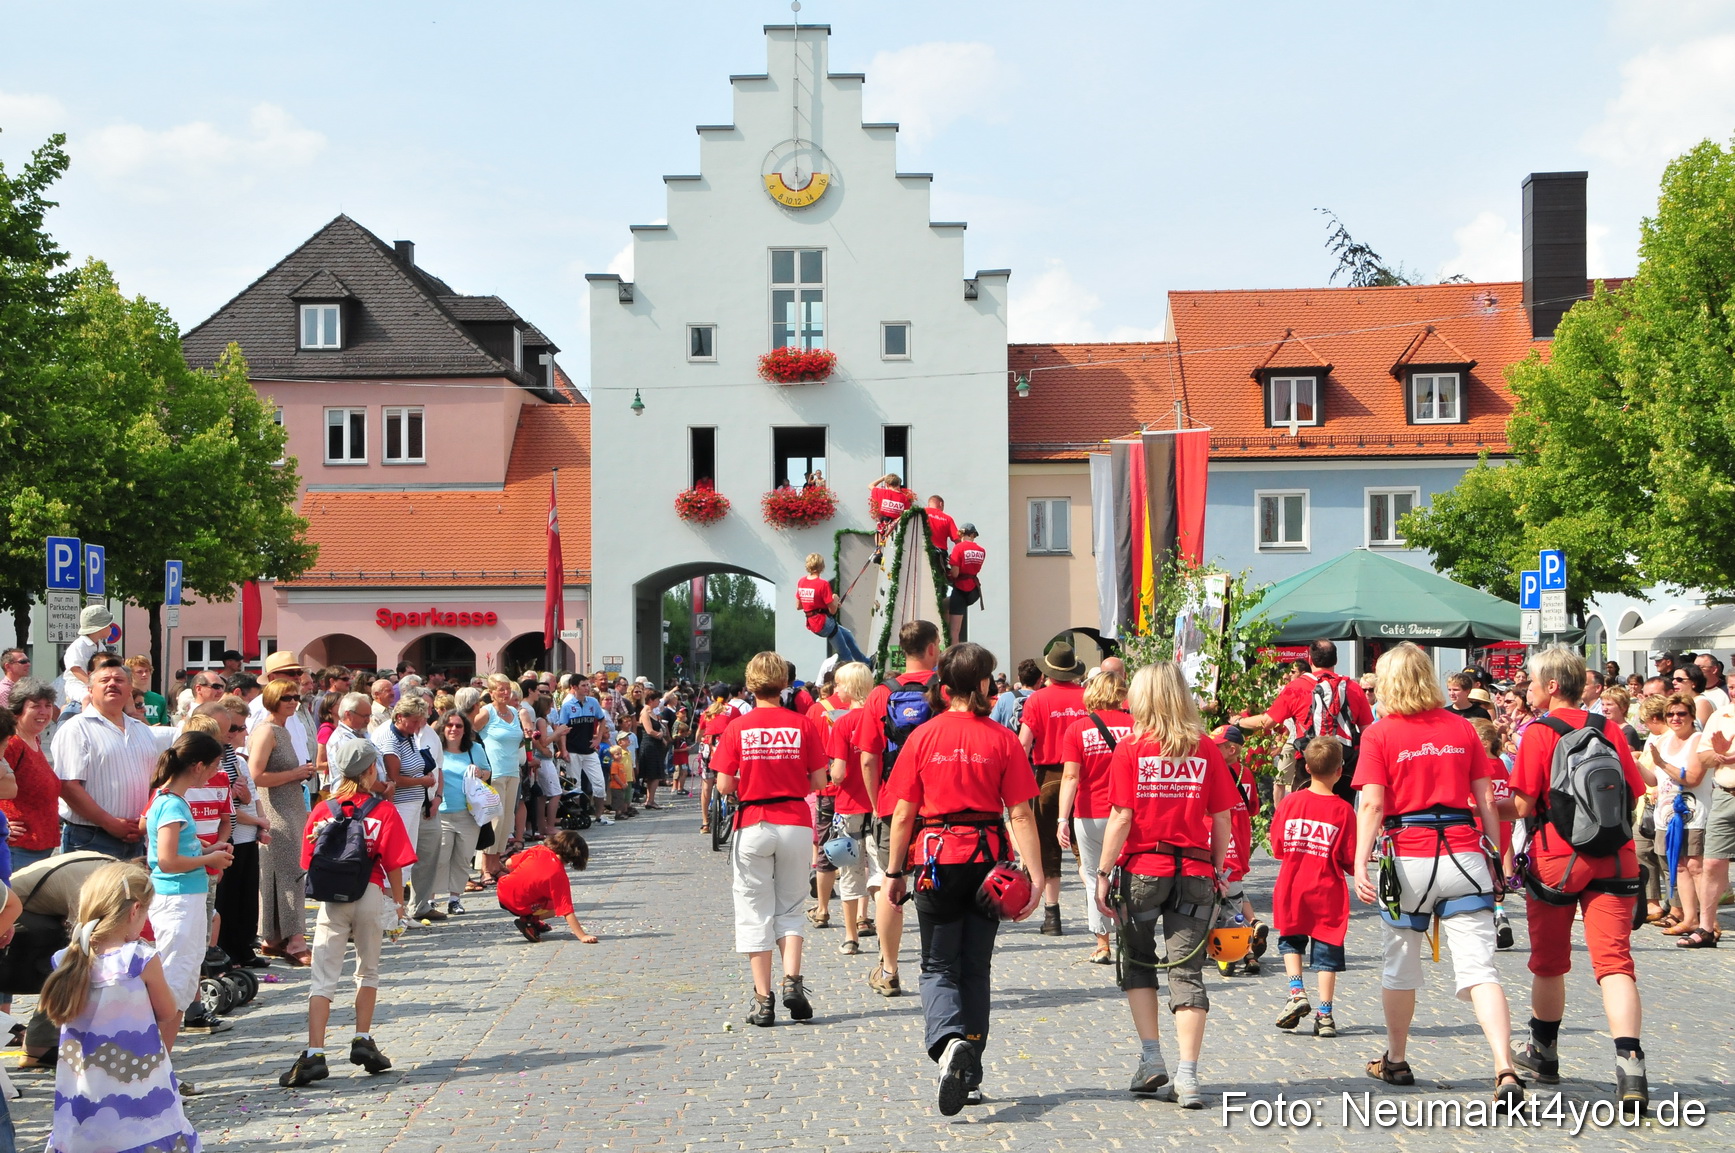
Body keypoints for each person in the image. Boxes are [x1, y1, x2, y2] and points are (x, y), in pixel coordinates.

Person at [1351, 642, 1518, 1101]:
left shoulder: (1380, 733)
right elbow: (1486, 800)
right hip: (1464, 853)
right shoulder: (1462, 727)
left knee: (1400, 965)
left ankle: (1397, 1058)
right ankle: (1504, 1067)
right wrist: (1495, 857)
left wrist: (1360, 860)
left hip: (1409, 855)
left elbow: (1372, 804)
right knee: (1481, 969)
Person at [883, 642, 1043, 1115]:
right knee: (975, 967)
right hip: (988, 861)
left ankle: (949, 1042)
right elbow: (1021, 814)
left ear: (944, 685)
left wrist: (894, 871)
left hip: (937, 859)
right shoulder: (1002, 739)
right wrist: (1034, 878)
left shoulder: (922, 737)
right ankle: (970, 1074)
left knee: (937, 966)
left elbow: (903, 813)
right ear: (984, 684)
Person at [1508, 647, 1652, 1110]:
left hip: (1558, 858)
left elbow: (1522, 805)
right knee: (1615, 963)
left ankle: (1543, 1051)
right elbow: (1636, 789)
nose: (1527, 688)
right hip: (1615, 855)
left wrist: (1481, 808)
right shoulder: (1608, 729)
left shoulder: (1539, 732)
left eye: (1532, 681)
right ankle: (1631, 1065)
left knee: (1550, 961)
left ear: (1552, 686)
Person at [1093, 661, 1237, 1108]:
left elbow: (1121, 817)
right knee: (1187, 971)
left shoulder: (1131, 748)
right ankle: (1188, 1076)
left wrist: (1103, 873)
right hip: (1194, 872)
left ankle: (1152, 1057)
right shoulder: (1206, 748)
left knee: (1138, 961)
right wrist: (1218, 869)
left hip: (1143, 871)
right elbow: (1222, 818)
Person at [280, 739, 415, 1088]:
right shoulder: (382, 810)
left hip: (332, 899)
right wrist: (398, 905)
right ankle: (362, 1038)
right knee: (367, 970)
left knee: (323, 975)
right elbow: (394, 863)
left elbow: (307, 860)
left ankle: (315, 1052)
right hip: (369, 891)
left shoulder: (323, 810)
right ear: (371, 769)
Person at [40, 861, 199, 1153]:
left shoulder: (65, 959)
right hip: (140, 1088)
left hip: (82, 1096)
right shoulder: (137, 959)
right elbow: (167, 1011)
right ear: (135, 910)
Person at [710, 651, 831, 1027]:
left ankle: (763, 1001)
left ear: (750, 684)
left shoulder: (738, 727)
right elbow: (820, 780)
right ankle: (792, 980)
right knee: (791, 907)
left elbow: (724, 784)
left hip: (754, 823)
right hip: (795, 821)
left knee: (754, 910)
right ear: (784, 683)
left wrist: (750, 780)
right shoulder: (802, 724)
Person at [858, 621, 944, 998]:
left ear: (902, 650)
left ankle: (889, 969)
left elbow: (867, 758)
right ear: (933, 648)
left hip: (893, 803)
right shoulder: (944, 690)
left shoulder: (881, 694)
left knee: (890, 883)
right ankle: (938, 963)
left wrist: (877, 802)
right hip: (939, 804)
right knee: (938, 882)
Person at [143, 730, 235, 1040]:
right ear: (198, 766)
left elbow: (180, 848)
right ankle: (158, 1058)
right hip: (177, 899)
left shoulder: (172, 800)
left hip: (185, 896)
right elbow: (167, 860)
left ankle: (163, 1059)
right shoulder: (171, 804)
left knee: (184, 976)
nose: (216, 773)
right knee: (175, 979)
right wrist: (209, 860)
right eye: (214, 766)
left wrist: (207, 850)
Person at [1271, 738, 1356, 1039]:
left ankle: (1297, 992)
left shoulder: (1290, 802)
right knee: (1326, 953)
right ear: (1340, 771)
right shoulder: (1344, 810)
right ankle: (1325, 1015)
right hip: (1327, 891)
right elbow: (1348, 858)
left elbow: (1277, 846)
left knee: (1291, 941)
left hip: (1292, 885)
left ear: (1306, 767)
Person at [53, 657, 169, 859]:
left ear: (130, 689)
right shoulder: (76, 729)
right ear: (90, 690)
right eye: (104, 680)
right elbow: (68, 786)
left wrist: (145, 821)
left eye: (119, 680)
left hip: (136, 837)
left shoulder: (142, 731)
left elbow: (153, 782)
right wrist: (109, 823)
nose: (112, 684)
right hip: (90, 837)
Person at [1056, 669, 1132, 965]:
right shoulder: (1135, 726)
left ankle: (1103, 944)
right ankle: (1130, 938)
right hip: (1127, 811)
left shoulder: (1078, 729)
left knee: (1092, 877)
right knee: (1129, 876)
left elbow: (1070, 776)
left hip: (1090, 813)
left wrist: (1062, 819)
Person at [1242, 639, 1373, 805]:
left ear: (1310, 660)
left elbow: (1266, 722)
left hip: (1309, 763)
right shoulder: (1353, 687)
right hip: (1343, 763)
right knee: (1342, 811)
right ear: (1336, 660)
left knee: (1305, 811)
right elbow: (1367, 730)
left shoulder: (1296, 687)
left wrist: (1239, 721)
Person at [1019, 641, 1088, 936]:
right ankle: (1100, 908)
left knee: (1048, 847)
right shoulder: (1087, 697)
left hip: (1048, 776)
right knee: (1085, 850)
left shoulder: (1037, 699)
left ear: (1048, 671)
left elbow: (1023, 744)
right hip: (1084, 776)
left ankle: (1052, 916)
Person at [250, 679, 317, 965]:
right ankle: (295, 940)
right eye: (286, 697)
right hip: (277, 810)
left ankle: (274, 937)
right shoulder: (266, 731)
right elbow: (255, 775)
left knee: (283, 874)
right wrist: (295, 773)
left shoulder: (284, 729)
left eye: (295, 697)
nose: (292, 702)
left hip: (291, 806)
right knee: (291, 874)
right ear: (272, 700)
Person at [820, 662, 878, 955]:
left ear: (851, 687)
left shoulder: (842, 723)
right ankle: (884, 935)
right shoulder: (880, 719)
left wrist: (831, 771)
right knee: (880, 871)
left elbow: (839, 774)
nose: (836, 689)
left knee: (850, 870)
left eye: (840, 684)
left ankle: (850, 936)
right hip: (879, 805)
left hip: (849, 805)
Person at [209, 695, 270, 970]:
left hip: (246, 834)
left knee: (246, 897)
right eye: (233, 728)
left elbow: (251, 796)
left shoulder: (238, 760)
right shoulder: (216, 762)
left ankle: (244, 947)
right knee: (227, 897)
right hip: (229, 833)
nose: (237, 733)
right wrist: (256, 819)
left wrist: (260, 822)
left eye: (241, 727)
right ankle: (226, 950)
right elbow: (227, 805)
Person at [1648, 691, 1712, 942]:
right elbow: (1653, 779)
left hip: (1693, 811)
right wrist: (1634, 763)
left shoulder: (1698, 740)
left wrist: (1662, 763)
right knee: (1680, 866)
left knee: (1696, 866)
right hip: (1666, 814)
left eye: (1681, 713)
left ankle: (1709, 921)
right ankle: (1689, 918)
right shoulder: (1663, 741)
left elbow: (1693, 777)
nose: (1675, 718)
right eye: (1670, 714)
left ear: (1692, 715)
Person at [373, 696, 444, 922]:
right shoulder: (391, 739)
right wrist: (422, 781)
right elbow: (393, 779)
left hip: (413, 804)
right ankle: (391, 913)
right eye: (414, 721)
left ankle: (398, 911)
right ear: (400, 717)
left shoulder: (407, 734)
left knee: (407, 859)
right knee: (397, 860)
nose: (418, 725)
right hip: (399, 805)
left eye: (421, 720)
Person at [496, 829, 599, 944]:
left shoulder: (538, 849)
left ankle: (534, 921)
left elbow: (509, 863)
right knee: (556, 904)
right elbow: (566, 910)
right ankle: (530, 920)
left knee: (541, 892)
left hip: (502, 891)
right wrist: (582, 936)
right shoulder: (559, 876)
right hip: (519, 905)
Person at [473, 675, 530, 880]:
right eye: (501, 689)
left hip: (512, 771)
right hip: (493, 772)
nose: (506, 693)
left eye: (508, 689)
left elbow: (518, 740)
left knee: (507, 821)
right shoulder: (487, 712)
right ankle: (485, 867)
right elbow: (470, 733)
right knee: (494, 820)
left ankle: (496, 863)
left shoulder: (514, 712)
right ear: (491, 693)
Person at [4, 677, 62, 870]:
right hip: (17, 847)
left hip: (41, 846)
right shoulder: (11, 744)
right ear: (18, 709)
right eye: (36, 706)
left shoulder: (33, 740)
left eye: (48, 705)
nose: (44, 712)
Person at [796, 553, 871, 667]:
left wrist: (825, 603)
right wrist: (834, 600)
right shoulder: (823, 584)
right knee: (844, 653)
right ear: (822, 566)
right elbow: (832, 611)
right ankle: (853, 673)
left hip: (813, 622)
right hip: (824, 623)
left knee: (848, 636)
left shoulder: (802, 582)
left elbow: (799, 606)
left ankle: (866, 662)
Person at [555, 678, 610, 821]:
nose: (587, 688)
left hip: (589, 749)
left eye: (588, 685)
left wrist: (598, 738)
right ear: (574, 687)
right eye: (583, 685)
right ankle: (577, 815)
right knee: (575, 785)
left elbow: (602, 719)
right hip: (573, 750)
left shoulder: (593, 702)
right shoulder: (567, 706)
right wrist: (564, 749)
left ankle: (599, 815)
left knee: (599, 783)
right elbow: (563, 729)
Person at [61, 605, 115, 712]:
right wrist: (91, 683)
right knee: (87, 697)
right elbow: (75, 669)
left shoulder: (101, 646)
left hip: (96, 684)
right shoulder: (78, 645)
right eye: (110, 625)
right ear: (100, 627)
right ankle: (86, 719)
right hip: (77, 684)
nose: (111, 628)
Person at [946, 524, 986, 642]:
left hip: (960, 589)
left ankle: (953, 651)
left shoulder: (958, 548)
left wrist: (948, 572)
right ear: (973, 535)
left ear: (961, 534)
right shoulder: (981, 550)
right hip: (974, 590)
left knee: (954, 630)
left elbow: (955, 574)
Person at [990, 659, 1040, 733]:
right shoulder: (1043, 699)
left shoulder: (1005, 698)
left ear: (1019, 678)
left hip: (1009, 739)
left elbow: (992, 725)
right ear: (1039, 680)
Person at [125, 656, 169, 726]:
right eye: (139, 672)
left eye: (147, 671)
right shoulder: (126, 697)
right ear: (130, 674)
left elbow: (164, 725)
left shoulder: (159, 699)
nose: (144, 674)